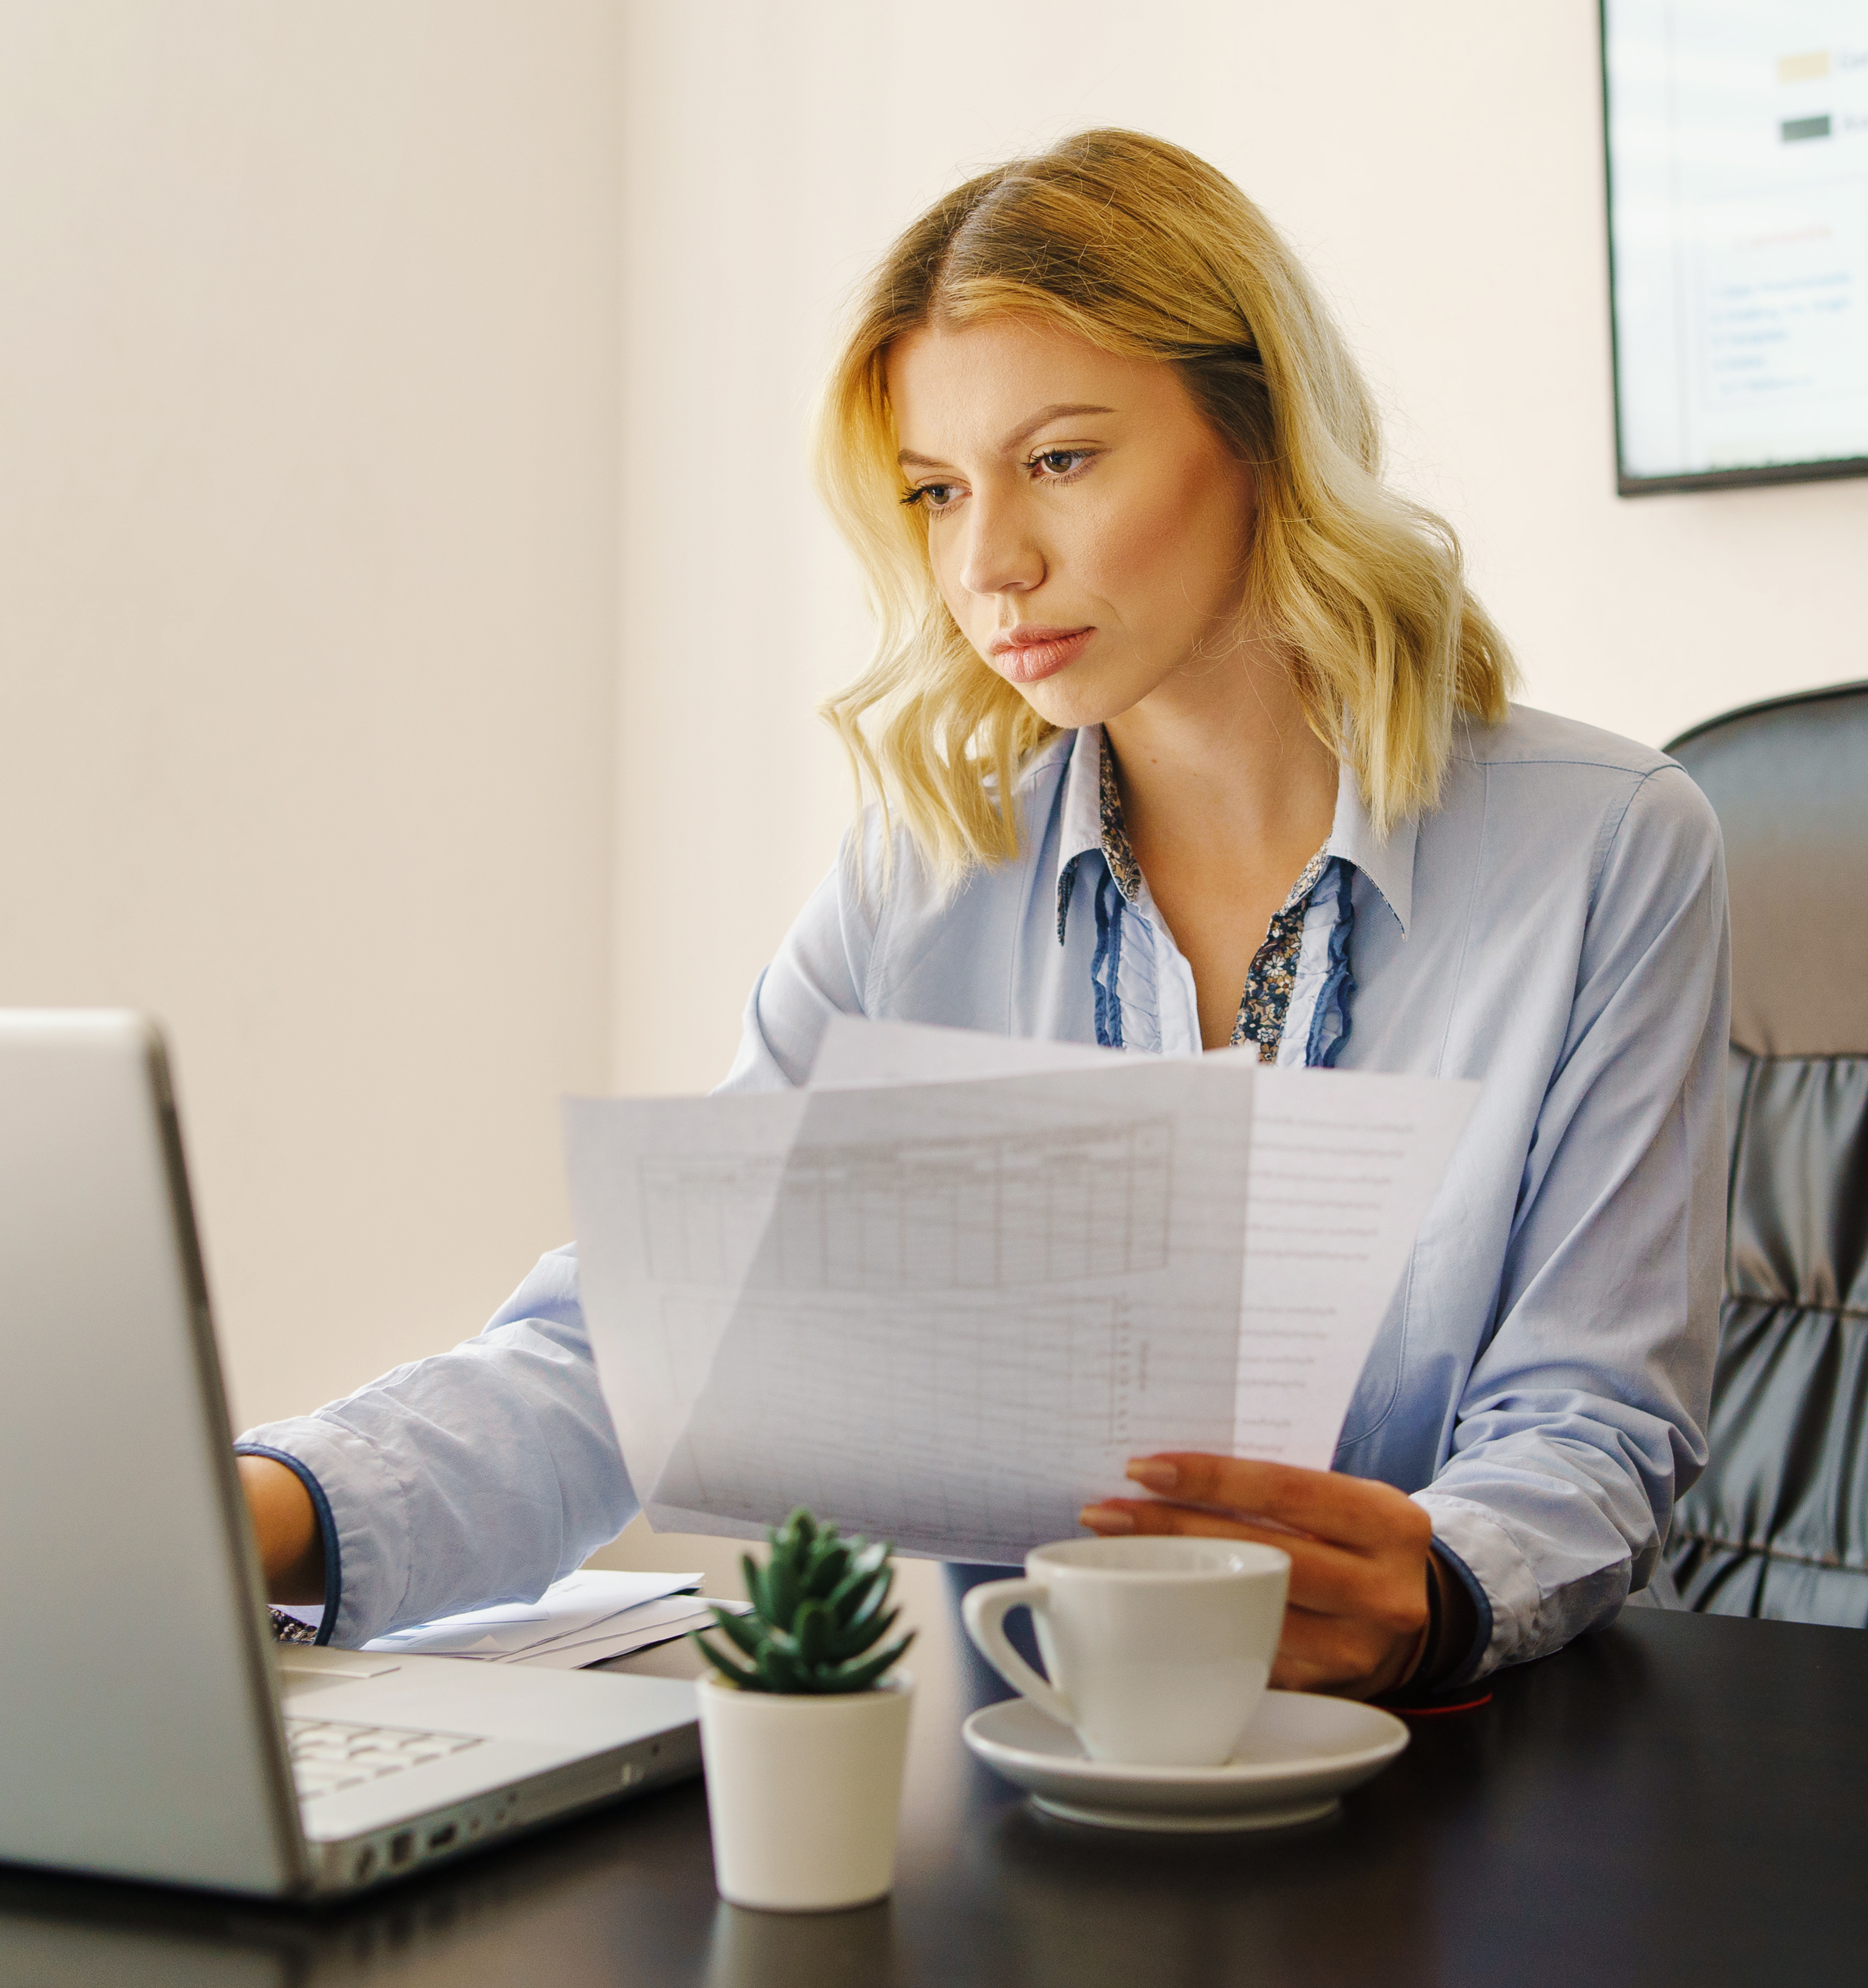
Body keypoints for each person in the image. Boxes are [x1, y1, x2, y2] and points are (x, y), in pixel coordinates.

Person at [235, 129, 1726, 1699]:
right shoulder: (925, 874)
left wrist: (1436, 1586)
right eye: (936, 492)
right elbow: (647, 1351)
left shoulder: (1610, 852)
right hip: (1037, 1801)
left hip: (1456, 1774)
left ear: (1265, 434)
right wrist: (258, 1511)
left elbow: (1590, 1418)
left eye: (1061, 462)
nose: (990, 562)